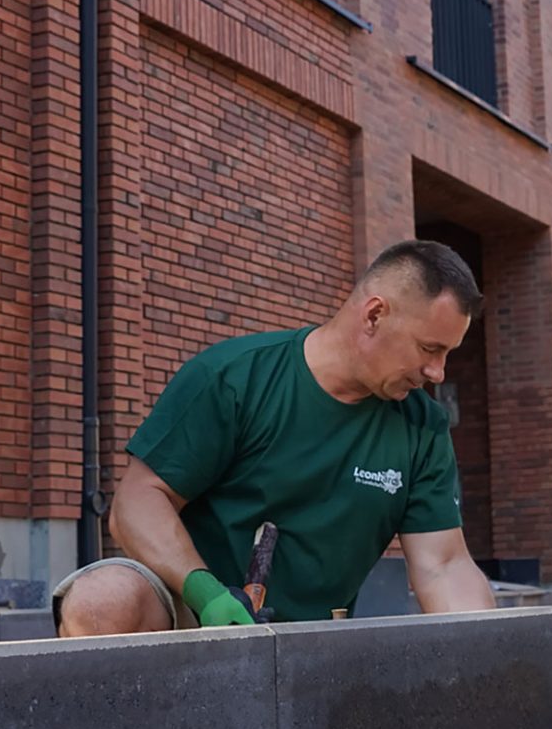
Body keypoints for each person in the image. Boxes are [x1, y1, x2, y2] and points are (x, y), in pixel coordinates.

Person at [53, 240, 498, 634]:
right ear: (374, 315)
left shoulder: (421, 426)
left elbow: (444, 565)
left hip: (312, 644)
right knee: (102, 600)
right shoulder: (236, 378)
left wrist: (500, 659)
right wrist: (206, 594)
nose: (438, 372)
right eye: (429, 349)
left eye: (447, 354)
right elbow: (136, 501)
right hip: (191, 616)